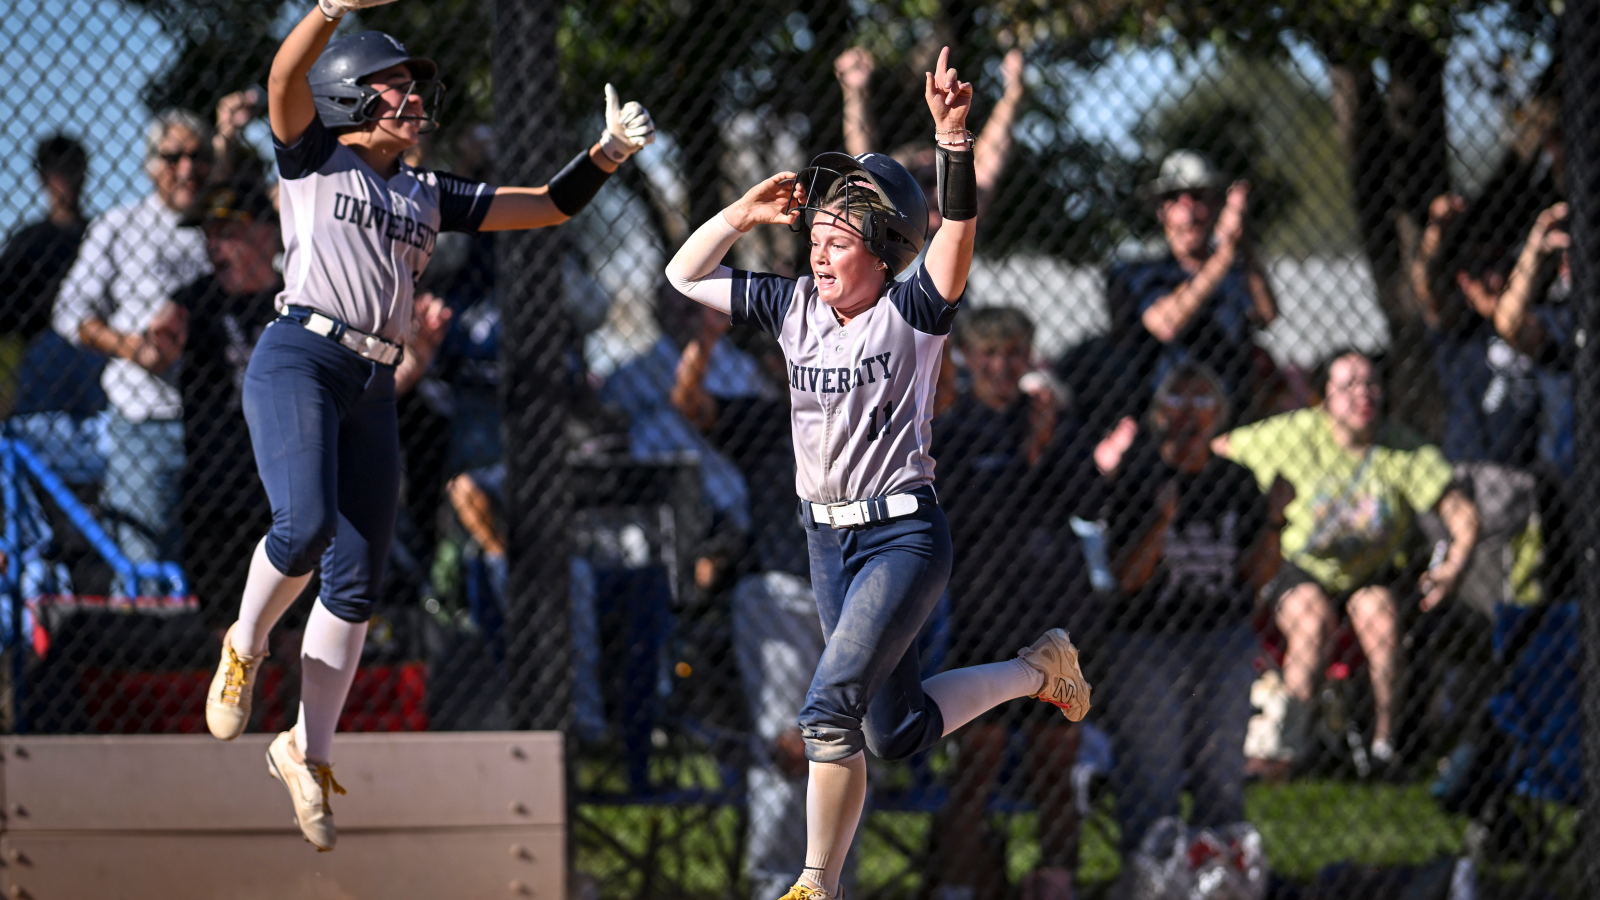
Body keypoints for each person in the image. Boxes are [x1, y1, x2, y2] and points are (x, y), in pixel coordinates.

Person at [199, 0, 656, 853]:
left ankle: (306, 749)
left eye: (413, 88)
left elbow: (551, 206)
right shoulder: (313, 158)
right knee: (300, 527)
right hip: (300, 356)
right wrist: (331, 8)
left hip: (374, 381)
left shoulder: (426, 191)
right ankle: (246, 641)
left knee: (358, 586)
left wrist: (609, 155)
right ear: (347, 97)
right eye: (395, 88)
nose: (413, 102)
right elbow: (281, 77)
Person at [665, 48, 1091, 900]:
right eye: (815, 233)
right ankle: (1039, 671)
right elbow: (684, 274)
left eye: (839, 237)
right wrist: (744, 215)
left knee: (827, 712)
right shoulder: (793, 308)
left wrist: (953, 140)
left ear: (890, 246)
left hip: (901, 535)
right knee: (894, 730)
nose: (819, 250)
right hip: (826, 539)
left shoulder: (912, 311)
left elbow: (959, 234)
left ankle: (813, 885)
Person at [1213, 350, 1479, 767]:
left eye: (1371, 383)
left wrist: (1454, 567)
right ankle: (1291, 744)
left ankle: (1384, 744)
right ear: (1324, 399)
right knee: (1312, 617)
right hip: (1302, 566)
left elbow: (1461, 512)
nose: (1363, 394)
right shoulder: (1294, 435)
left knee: (1381, 613)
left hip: (1370, 572)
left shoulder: (1400, 447)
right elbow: (1220, 450)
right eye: (1348, 386)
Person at [1086, 362, 1278, 874]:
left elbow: (1255, 575)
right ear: (1158, 414)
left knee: (1221, 771)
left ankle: (1218, 875)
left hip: (1222, 635)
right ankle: (1151, 874)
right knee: (1153, 771)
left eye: (1202, 402)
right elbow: (1127, 578)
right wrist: (1161, 522)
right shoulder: (1137, 477)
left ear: (1219, 415)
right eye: (1178, 401)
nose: (1190, 415)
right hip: (1148, 639)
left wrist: (1276, 520)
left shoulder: (1237, 481)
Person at [926, 306, 1087, 900]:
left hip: (1050, 620)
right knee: (979, 763)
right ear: (967, 358)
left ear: (1030, 358)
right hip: (981, 621)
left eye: (1013, 353)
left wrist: (1044, 448)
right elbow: (968, 512)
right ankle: (956, 886)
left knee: (1055, 764)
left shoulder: (1050, 419)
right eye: (989, 354)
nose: (1001, 366)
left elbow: (1092, 502)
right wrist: (1026, 463)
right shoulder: (952, 427)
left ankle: (1056, 881)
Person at [671, 306, 826, 900]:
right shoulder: (769, 422)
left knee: (843, 748)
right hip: (782, 589)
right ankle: (775, 884)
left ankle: (834, 883)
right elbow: (690, 406)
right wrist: (703, 342)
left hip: (855, 595)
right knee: (789, 744)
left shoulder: (872, 415)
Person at [53, 110, 213, 570]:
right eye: (172, 157)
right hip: (146, 419)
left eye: (197, 157)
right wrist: (132, 348)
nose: (186, 169)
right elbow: (69, 312)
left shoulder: (220, 228)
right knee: (146, 561)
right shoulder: (119, 226)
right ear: (149, 165)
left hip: (215, 418)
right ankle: (148, 642)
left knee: (215, 561)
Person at [1124, 150, 1277, 419]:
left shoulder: (1236, 271)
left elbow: (1266, 314)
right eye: (1174, 199)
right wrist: (1225, 253)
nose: (1189, 213)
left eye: (1197, 197)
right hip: (1173, 421)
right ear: (1162, 212)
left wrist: (1244, 243)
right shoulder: (1147, 272)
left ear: (1216, 205)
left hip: (1233, 415)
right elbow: (1166, 324)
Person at [0, 135, 91, 418]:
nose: (66, 180)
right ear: (43, 178)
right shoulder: (28, 243)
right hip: (41, 353)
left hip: (94, 347)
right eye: (57, 171)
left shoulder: (101, 234)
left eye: (72, 168)